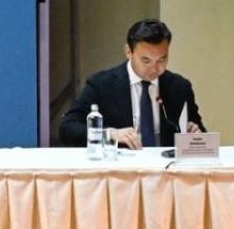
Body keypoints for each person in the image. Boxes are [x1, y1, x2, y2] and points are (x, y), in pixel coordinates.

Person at [59, 18, 204, 148]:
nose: (154, 69)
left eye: (162, 60)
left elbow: (199, 132)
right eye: (146, 60)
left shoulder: (179, 87)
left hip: (166, 166)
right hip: (119, 166)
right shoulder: (101, 84)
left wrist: (196, 135)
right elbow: (68, 128)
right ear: (129, 52)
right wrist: (110, 134)